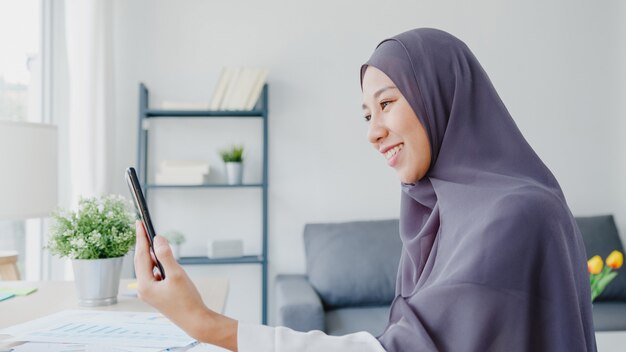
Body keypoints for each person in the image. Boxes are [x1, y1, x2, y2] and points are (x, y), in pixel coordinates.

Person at [134, 28, 597, 351]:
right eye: (366, 115)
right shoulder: (440, 214)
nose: (373, 132)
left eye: (387, 103)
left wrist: (207, 323)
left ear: (440, 95)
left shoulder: (516, 216)